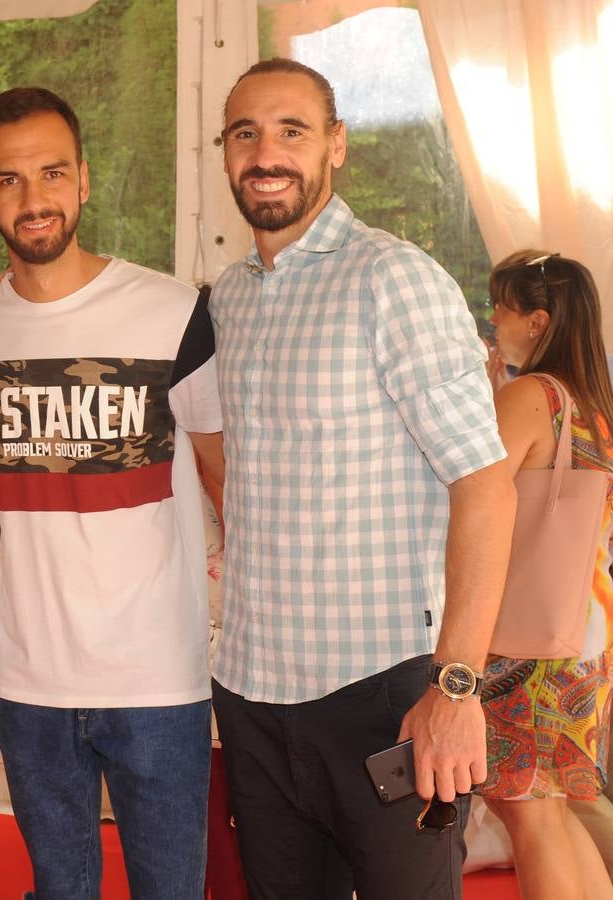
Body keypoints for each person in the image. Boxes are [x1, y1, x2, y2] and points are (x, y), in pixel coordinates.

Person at [208, 58, 517, 899]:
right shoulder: (231, 298)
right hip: (252, 692)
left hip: (382, 695)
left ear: (336, 146)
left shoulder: (393, 278)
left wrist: (457, 685)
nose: (265, 152)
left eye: (292, 130)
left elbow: (485, 484)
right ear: (225, 153)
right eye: (245, 133)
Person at [0, 86, 226, 899]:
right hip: (30, 678)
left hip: (159, 677)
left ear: (85, 180)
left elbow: (221, 474)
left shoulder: (174, 312)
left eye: (52, 174)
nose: (33, 200)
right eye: (9, 179)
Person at [479, 251, 613, 900]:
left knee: (530, 814)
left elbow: (475, 493)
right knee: (550, 808)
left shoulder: (532, 395)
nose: (493, 318)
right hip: (581, 631)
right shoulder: (594, 401)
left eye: (500, 305)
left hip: (525, 640)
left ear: (537, 320)